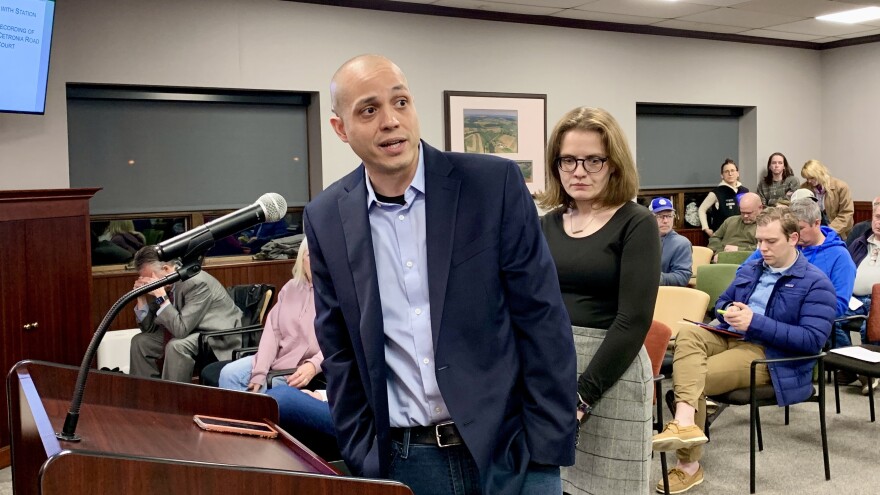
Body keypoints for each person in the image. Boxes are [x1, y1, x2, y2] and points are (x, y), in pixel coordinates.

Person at [303, 55, 576, 495]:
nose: (391, 121)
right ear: (340, 129)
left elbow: (542, 320)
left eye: (400, 102)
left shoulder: (492, 185)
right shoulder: (326, 217)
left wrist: (546, 448)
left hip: (511, 452)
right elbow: (340, 350)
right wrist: (362, 455)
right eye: (369, 110)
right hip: (407, 462)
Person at [653, 207, 836, 494]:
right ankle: (685, 421)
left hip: (771, 355)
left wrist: (755, 322)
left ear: (793, 239)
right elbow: (722, 302)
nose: (762, 248)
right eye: (759, 240)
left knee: (692, 377)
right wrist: (729, 310)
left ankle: (688, 464)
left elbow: (812, 340)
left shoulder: (816, 283)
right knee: (689, 332)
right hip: (732, 334)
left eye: (771, 241)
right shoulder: (753, 268)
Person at [539, 107, 659, 494]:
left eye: (593, 160)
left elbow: (633, 320)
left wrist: (582, 396)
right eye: (568, 160)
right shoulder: (546, 224)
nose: (579, 171)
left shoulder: (636, 222)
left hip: (611, 374)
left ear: (614, 164)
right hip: (554, 371)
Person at [743, 198, 855, 346]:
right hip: (760, 317)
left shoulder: (840, 256)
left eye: (800, 228)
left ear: (817, 223)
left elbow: (839, 304)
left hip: (807, 325)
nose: (795, 234)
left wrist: (791, 310)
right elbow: (743, 272)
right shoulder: (782, 243)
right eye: (791, 229)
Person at [218, 238, 322, 392]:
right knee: (228, 374)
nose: (315, 261)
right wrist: (260, 372)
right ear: (301, 259)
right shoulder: (290, 288)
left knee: (264, 391)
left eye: (320, 255)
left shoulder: (336, 294)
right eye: (309, 255)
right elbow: (273, 332)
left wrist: (314, 365)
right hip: (277, 358)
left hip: (301, 367)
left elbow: (343, 342)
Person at [129, 246, 243, 382]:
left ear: (166, 269)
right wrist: (141, 297)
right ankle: (146, 392)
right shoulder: (166, 284)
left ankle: (174, 394)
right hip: (189, 330)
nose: (149, 284)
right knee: (140, 342)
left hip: (215, 336)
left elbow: (180, 330)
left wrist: (161, 298)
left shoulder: (196, 282)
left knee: (176, 346)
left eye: (150, 279)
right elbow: (149, 329)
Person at [842, 198, 880, 348]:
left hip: (877, 302)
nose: (879, 223)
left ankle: (868, 360)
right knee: (830, 316)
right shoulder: (860, 242)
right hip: (853, 300)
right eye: (877, 217)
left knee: (870, 327)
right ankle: (845, 358)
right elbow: (844, 270)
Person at [800, 159, 854, 239]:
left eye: (812, 178)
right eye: (807, 178)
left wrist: (829, 231)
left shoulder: (841, 187)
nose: (809, 181)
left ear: (820, 173)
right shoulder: (804, 188)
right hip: (816, 231)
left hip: (840, 231)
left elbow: (846, 213)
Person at [698, 158, 749, 236]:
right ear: (722, 175)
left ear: (737, 173)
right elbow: (702, 209)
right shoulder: (716, 193)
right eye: (726, 171)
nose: (730, 174)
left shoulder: (745, 191)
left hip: (742, 234)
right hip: (723, 236)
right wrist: (706, 228)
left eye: (732, 170)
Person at [706, 192, 763, 259]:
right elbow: (714, 238)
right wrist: (719, 252)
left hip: (746, 260)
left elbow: (761, 247)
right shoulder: (730, 221)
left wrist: (739, 250)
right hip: (721, 257)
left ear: (760, 208)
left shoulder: (764, 225)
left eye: (749, 213)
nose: (745, 216)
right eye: (742, 212)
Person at [651, 197, 693, 287]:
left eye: (669, 216)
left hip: (666, 292)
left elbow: (682, 277)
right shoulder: (639, 239)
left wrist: (651, 278)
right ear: (649, 218)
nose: (665, 221)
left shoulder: (681, 243)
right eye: (659, 216)